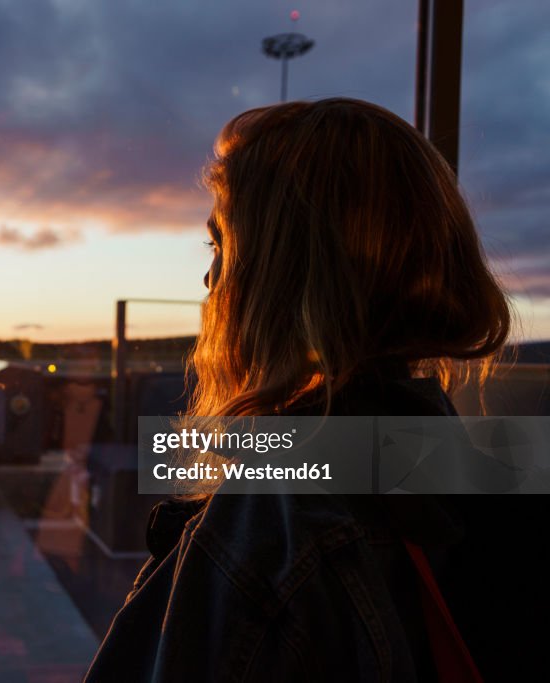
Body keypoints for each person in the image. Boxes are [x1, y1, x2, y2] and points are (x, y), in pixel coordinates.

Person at [84, 98, 545, 681]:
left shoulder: (269, 529)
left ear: (282, 279)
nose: (209, 280)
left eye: (221, 245)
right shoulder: (496, 482)